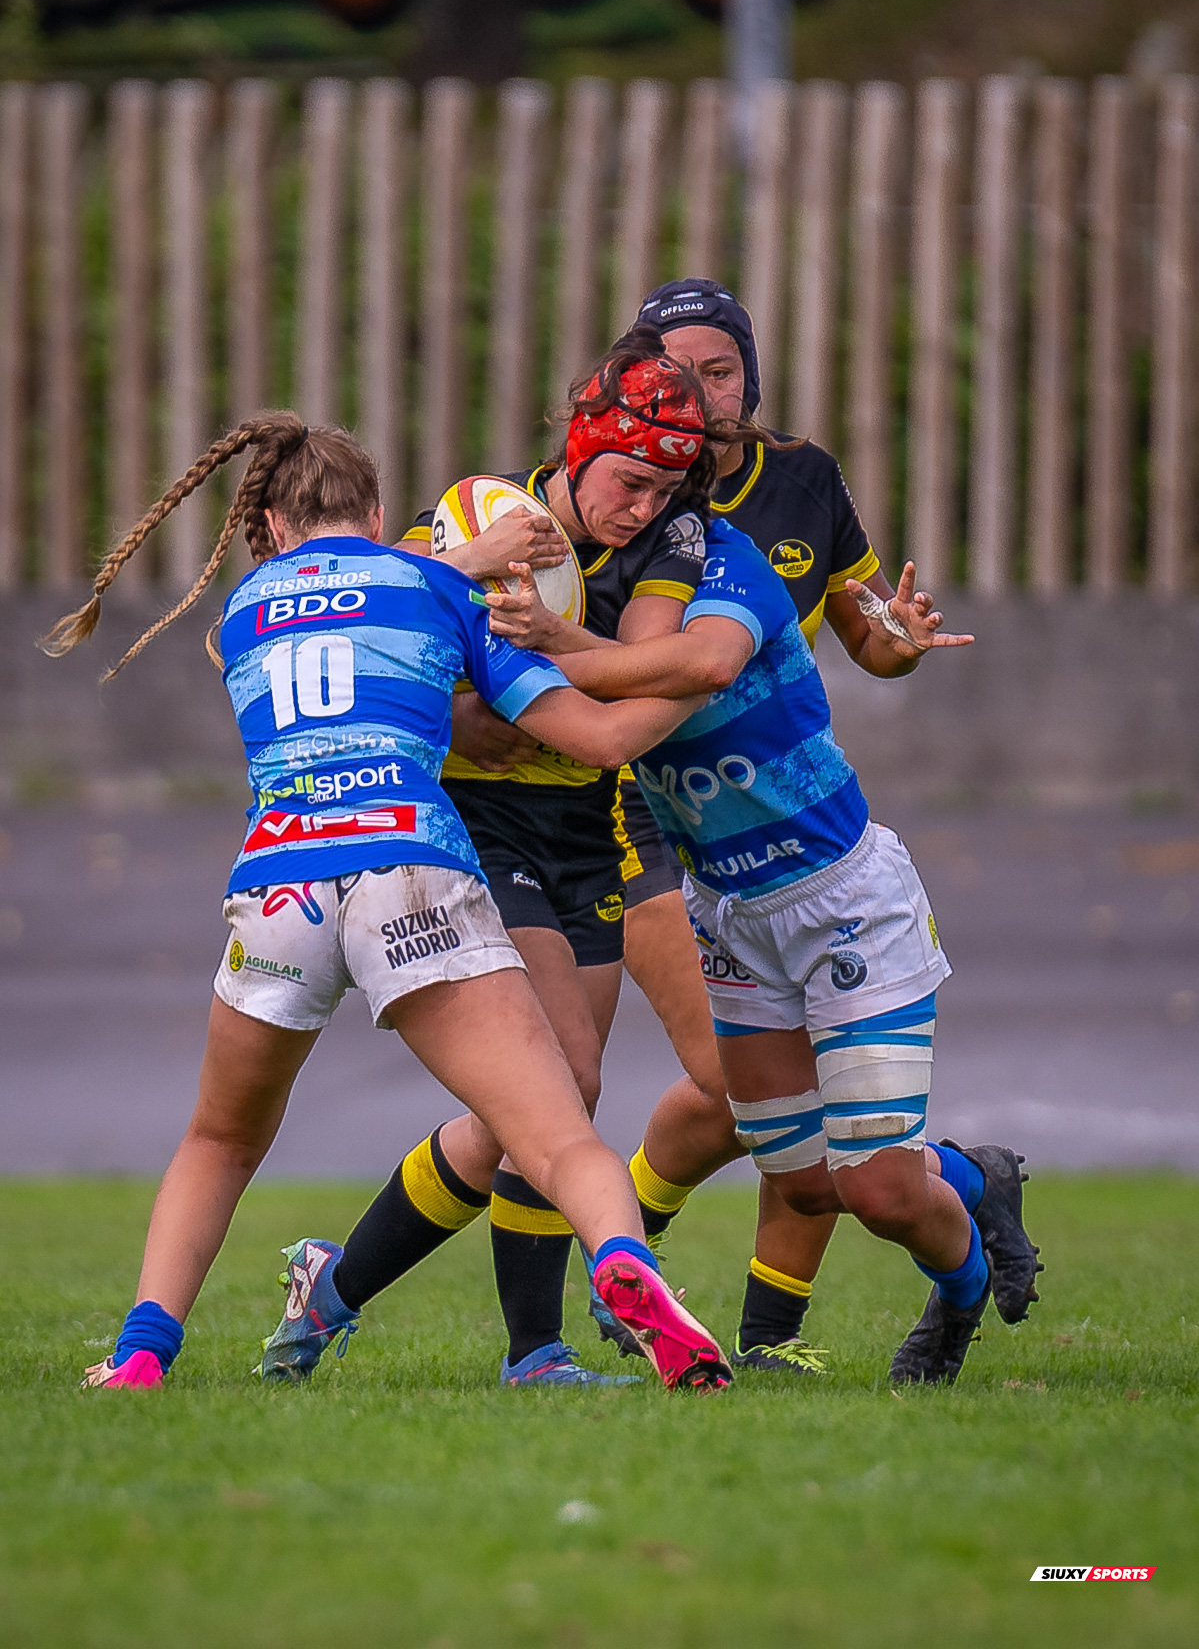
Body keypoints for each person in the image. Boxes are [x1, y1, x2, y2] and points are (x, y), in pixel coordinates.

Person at [41, 410, 731, 1395]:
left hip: (278, 886)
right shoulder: (439, 593)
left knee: (220, 1136)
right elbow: (598, 740)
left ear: (271, 525)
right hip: (411, 870)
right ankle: (626, 1265)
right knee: (556, 1131)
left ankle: (142, 1353)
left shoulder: (238, 611)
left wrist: (449, 566)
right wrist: (701, 677)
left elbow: (314, 613)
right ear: (375, 510)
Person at [265, 330, 750, 1388]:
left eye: (666, 486)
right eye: (626, 481)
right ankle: (535, 1351)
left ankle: (332, 1289)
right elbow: (382, 648)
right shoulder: (479, 520)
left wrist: (564, 655)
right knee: (564, 1079)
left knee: (525, 1111)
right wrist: (457, 714)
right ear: (575, 454)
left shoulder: (674, 539)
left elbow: (628, 679)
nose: (643, 506)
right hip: (485, 825)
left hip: (596, 822)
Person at [576, 279, 1040, 1372]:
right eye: (669, 376)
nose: (695, 395)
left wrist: (896, 638)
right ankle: (964, 1183)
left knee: (874, 1186)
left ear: (749, 375)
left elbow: (775, 647)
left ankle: (952, 1288)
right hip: (725, 907)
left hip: (836, 891)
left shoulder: (756, 523)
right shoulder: (615, 534)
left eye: (717, 370)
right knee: (798, 1174)